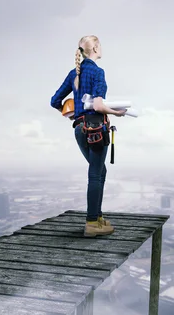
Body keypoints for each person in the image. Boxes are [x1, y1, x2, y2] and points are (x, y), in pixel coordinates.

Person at [50, 35, 126, 237]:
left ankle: (97, 217)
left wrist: (71, 114)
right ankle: (92, 223)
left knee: (99, 172)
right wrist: (118, 112)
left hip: (79, 129)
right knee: (95, 173)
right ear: (95, 48)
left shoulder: (73, 74)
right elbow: (99, 106)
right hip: (96, 129)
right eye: (100, 46)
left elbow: (54, 101)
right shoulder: (98, 72)